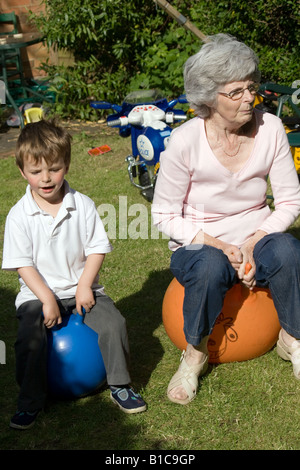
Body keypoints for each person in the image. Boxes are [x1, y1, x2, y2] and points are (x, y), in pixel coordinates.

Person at [152, 33, 300, 405]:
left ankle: (292, 340)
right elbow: (163, 214)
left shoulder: (271, 131)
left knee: (287, 250)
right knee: (210, 267)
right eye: (236, 92)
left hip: (256, 234)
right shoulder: (184, 142)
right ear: (208, 98)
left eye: (252, 87)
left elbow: (290, 201)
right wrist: (219, 245)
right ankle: (195, 354)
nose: (249, 97)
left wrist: (253, 241)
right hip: (201, 243)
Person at [2, 119, 146, 429]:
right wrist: (46, 299)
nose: (46, 178)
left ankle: (120, 385)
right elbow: (22, 264)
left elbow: (97, 249)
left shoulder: (82, 205)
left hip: (81, 289)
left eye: (53, 168)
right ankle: (30, 401)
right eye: (36, 171)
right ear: (23, 172)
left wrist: (84, 287)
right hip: (38, 295)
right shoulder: (19, 215)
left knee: (114, 323)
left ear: (66, 164)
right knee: (30, 336)